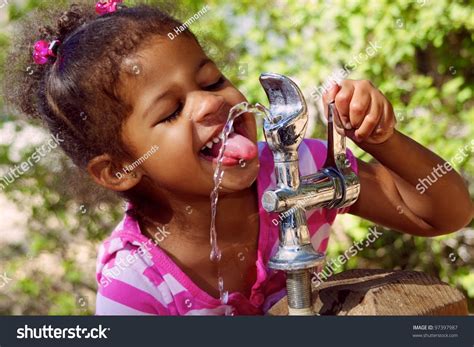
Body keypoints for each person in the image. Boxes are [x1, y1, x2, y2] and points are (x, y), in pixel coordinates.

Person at [4, 1, 472, 315]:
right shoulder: (135, 288)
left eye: (210, 82)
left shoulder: (294, 173)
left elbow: (444, 213)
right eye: (170, 112)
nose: (210, 104)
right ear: (120, 169)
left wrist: (380, 137)